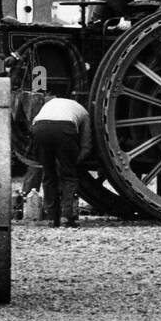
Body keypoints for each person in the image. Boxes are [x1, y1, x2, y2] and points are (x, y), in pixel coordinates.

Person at [30, 89, 92, 227]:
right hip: (65, 128)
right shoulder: (84, 112)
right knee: (69, 177)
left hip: (39, 128)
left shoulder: (50, 104)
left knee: (48, 175)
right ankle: (66, 216)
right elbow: (86, 145)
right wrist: (73, 162)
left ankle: (51, 217)